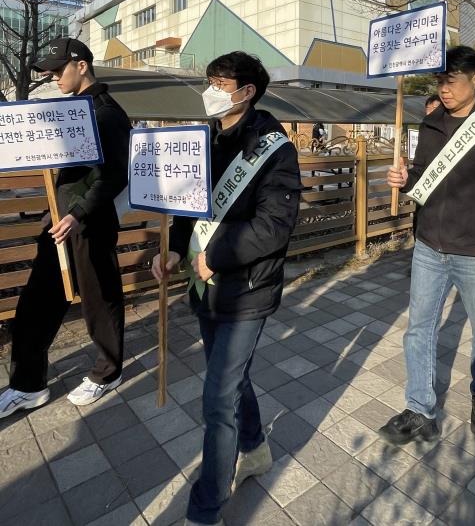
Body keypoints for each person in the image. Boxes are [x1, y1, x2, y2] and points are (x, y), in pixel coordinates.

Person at [152, 51, 301, 526]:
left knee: (217, 399)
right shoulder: (204, 140)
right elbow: (187, 201)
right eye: (210, 81)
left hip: (247, 290)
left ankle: (206, 507)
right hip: (204, 285)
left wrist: (212, 257)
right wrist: (175, 247)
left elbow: (274, 227)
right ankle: (254, 449)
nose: (211, 91)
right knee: (231, 380)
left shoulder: (274, 148)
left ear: (247, 92)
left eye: (222, 83)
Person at [381, 46, 475, 443]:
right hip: (430, 246)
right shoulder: (431, 123)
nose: (443, 89)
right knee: (419, 330)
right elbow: (423, 177)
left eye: (451, 81)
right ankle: (419, 408)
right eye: (439, 82)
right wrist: (405, 182)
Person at [0, 38, 131, 417]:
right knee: (34, 306)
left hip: (90, 223)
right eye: (50, 72)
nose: (53, 77)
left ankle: (108, 373)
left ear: (82, 66)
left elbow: (112, 177)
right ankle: (28, 386)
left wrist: (76, 213)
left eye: (59, 70)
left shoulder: (106, 113)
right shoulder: (73, 110)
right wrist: (54, 209)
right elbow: (71, 174)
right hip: (61, 222)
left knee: (99, 301)